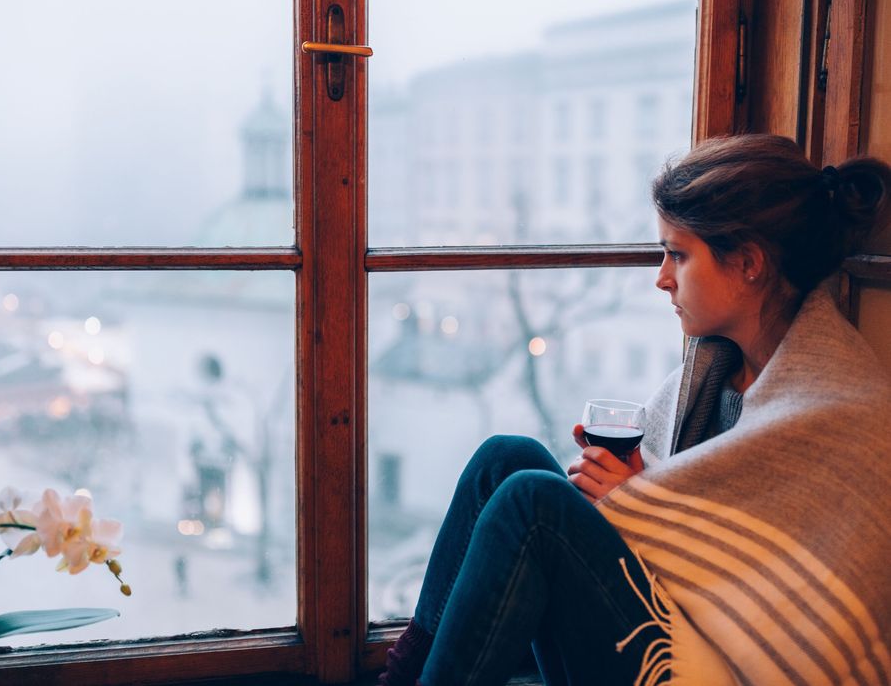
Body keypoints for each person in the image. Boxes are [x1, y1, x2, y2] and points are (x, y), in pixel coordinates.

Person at [376, 134, 891, 686]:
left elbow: (789, 607)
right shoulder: (712, 374)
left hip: (717, 661)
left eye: (678, 254)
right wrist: (638, 494)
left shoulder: (841, 411)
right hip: (666, 615)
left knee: (534, 504)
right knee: (505, 459)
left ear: (748, 263)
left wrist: (638, 502)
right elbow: (690, 524)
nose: (661, 277)